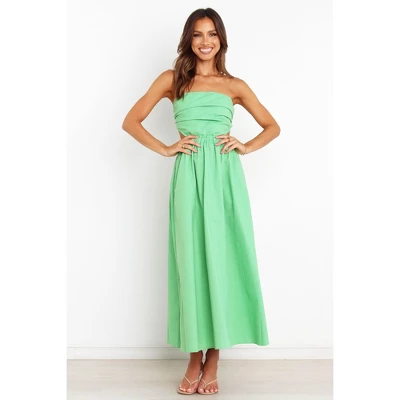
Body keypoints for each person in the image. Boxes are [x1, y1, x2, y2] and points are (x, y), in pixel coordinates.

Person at [122, 7, 280, 396]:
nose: (205, 41)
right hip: (188, 178)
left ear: (221, 40)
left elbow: (272, 126)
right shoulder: (172, 80)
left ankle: (214, 359)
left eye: (211, 34)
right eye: (197, 34)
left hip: (225, 181)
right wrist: (166, 148)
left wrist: (245, 146)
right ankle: (194, 357)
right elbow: (131, 121)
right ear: (188, 40)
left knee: (222, 262)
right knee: (191, 262)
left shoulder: (235, 85)